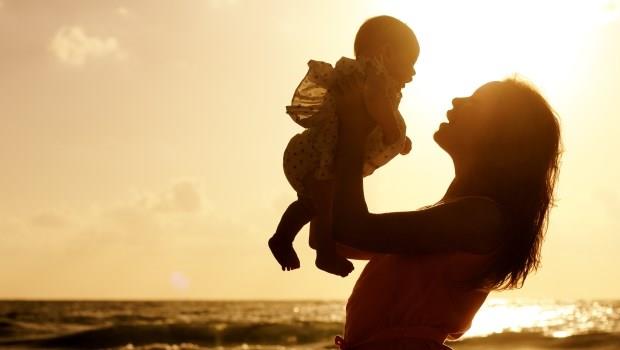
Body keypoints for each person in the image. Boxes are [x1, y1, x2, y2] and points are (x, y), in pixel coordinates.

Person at [329, 76, 562, 349]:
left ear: (500, 134)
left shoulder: (478, 218)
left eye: (474, 102)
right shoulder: (456, 215)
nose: (457, 101)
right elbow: (337, 240)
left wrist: (353, 130)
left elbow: (351, 230)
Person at [268, 16, 419, 277]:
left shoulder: (373, 77)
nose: (413, 72)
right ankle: (324, 251)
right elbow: (374, 107)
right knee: (322, 201)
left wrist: (397, 139)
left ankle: (283, 238)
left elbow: (369, 121)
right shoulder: (373, 76)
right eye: (410, 62)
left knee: (313, 204)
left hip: (320, 152)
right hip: (320, 153)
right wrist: (393, 132)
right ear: (388, 53)